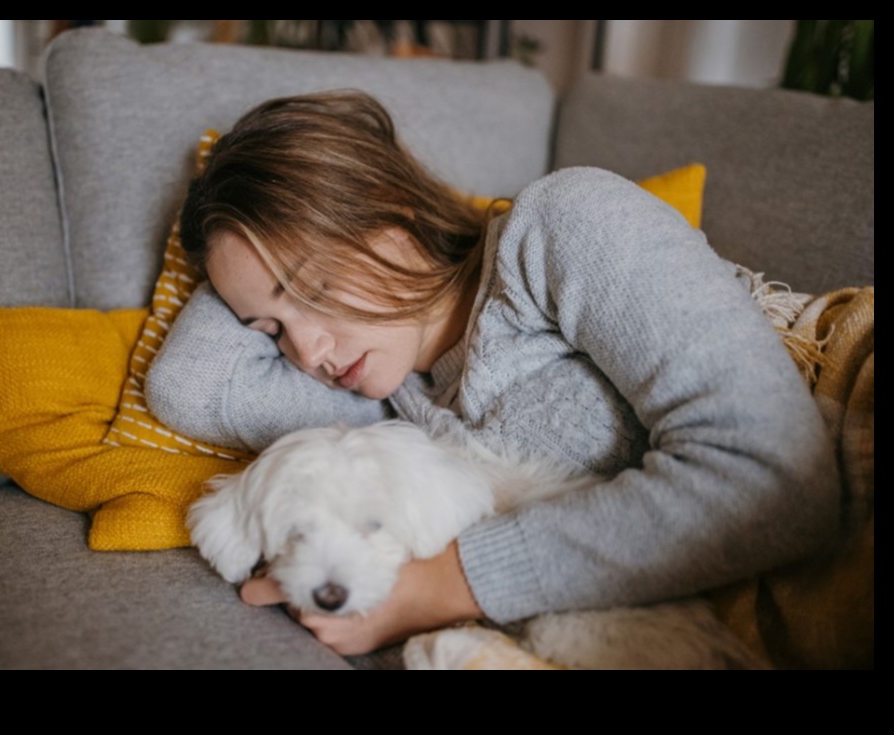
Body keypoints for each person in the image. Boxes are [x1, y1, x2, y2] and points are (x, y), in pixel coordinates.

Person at [145, 91, 840, 657]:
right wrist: (231, 228)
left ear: (390, 207)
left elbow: (777, 476)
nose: (307, 352)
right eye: (269, 331)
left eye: (315, 286)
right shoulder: (387, 408)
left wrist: (439, 586)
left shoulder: (558, 230)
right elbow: (189, 389)